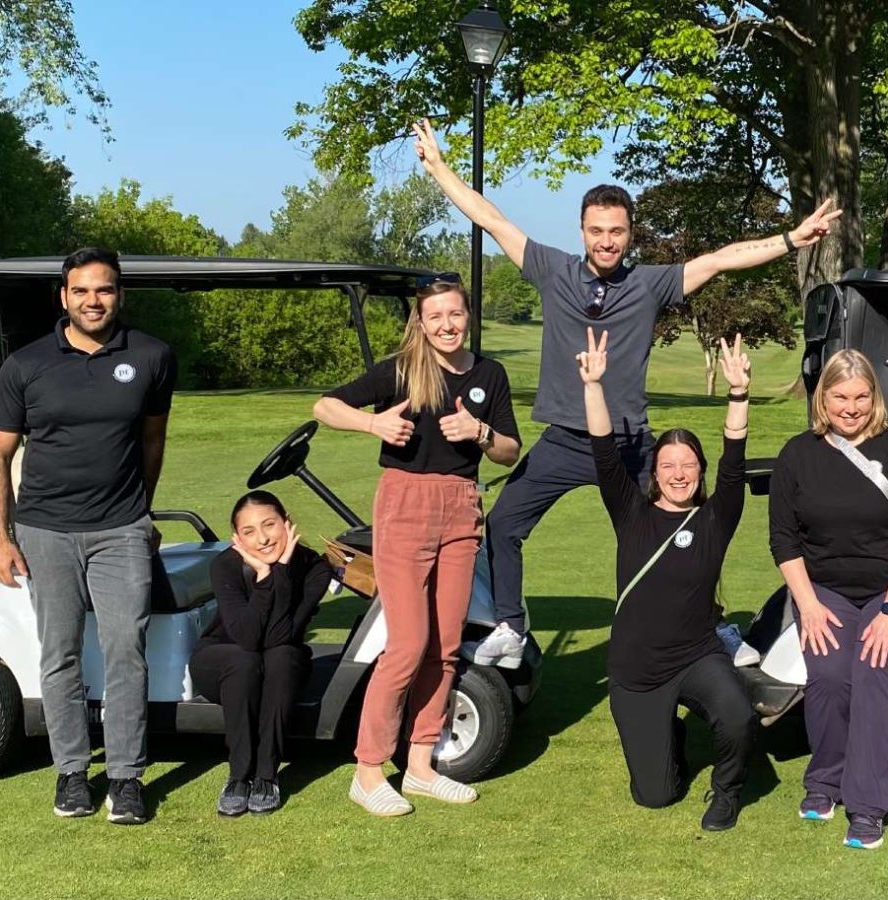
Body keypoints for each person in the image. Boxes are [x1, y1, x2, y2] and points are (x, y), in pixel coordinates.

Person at [410, 118, 843, 668]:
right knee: (502, 524)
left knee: (682, 532)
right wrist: (441, 168)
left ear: (630, 232)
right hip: (565, 441)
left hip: (630, 444)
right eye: (596, 230)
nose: (606, 240)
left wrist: (791, 239)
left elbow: (719, 259)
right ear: (582, 230)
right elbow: (490, 217)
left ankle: (713, 627)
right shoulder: (552, 270)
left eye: (616, 231)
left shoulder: (649, 284)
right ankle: (510, 627)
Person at [0, 247, 176, 825]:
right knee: (60, 655)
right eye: (82, 291)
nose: (94, 301)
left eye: (106, 290)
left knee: (125, 651)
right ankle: (70, 773)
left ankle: (126, 777)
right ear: (63, 297)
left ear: (120, 294)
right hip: (44, 530)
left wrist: (142, 513)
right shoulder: (26, 364)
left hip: (120, 530)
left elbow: (152, 442)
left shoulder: (151, 356)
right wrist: (0, 536)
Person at [313, 276, 521, 816]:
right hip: (404, 506)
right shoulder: (403, 369)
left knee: (446, 646)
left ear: (467, 316)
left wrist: (478, 432)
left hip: (460, 508)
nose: (447, 325)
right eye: (436, 317)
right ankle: (368, 769)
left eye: (455, 314)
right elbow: (324, 407)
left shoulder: (488, 374)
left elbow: (509, 452)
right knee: (407, 644)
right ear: (421, 324)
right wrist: (372, 423)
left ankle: (422, 765)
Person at [579, 328, 758, 831]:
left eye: (689, 465)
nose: (679, 474)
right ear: (655, 473)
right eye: (668, 465)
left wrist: (738, 393)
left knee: (738, 715)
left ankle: (726, 792)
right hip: (637, 671)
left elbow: (735, 462)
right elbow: (603, 452)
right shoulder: (630, 512)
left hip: (696, 655)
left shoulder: (716, 519)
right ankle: (669, 737)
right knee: (655, 797)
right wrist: (594, 385)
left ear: (700, 472)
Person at [769, 349, 888, 850]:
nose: (851, 407)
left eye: (861, 396)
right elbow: (784, 540)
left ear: (875, 396)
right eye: (840, 396)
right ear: (823, 397)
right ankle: (824, 779)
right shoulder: (797, 455)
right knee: (826, 676)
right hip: (826, 592)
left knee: (872, 668)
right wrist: (808, 605)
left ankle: (867, 806)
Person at [190, 491, 332, 816]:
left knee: (279, 656)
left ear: (287, 523)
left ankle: (267, 774)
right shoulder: (225, 565)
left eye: (269, 525)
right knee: (245, 659)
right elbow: (246, 637)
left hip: (280, 659)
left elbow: (281, 634)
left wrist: (277, 572)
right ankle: (239, 776)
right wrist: (264, 577)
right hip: (224, 657)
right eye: (250, 532)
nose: (263, 539)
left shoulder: (315, 568)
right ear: (237, 538)